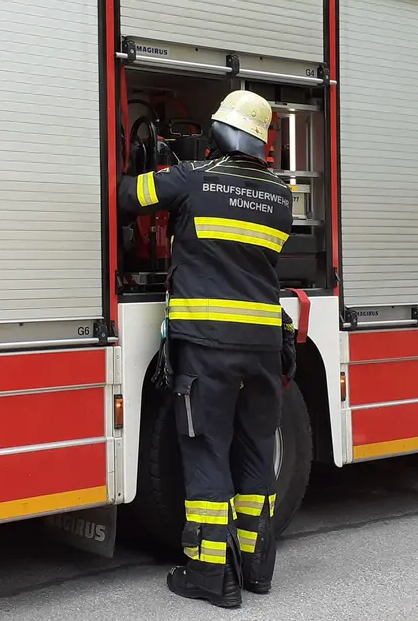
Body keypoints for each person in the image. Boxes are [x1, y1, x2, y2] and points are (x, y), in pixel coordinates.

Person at [119, 89, 296, 609]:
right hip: (264, 344)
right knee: (256, 453)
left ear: (220, 131)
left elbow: (129, 197)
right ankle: (258, 568)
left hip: (208, 345)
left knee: (206, 453)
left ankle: (211, 576)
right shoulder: (281, 195)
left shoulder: (193, 178)